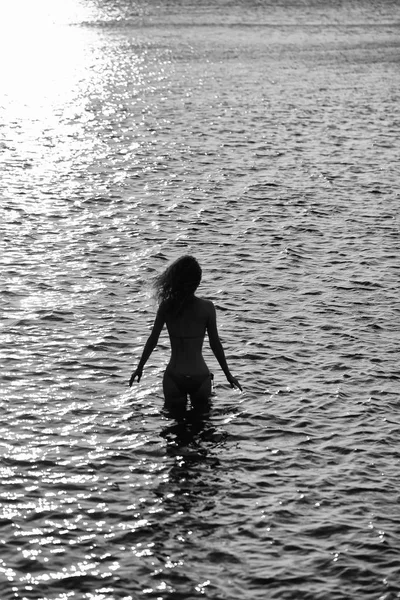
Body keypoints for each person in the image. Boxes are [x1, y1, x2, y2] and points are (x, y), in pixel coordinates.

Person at [129, 255, 242, 413]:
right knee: (202, 427)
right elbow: (215, 344)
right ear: (197, 281)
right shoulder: (207, 308)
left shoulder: (167, 307)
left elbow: (153, 340)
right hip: (200, 376)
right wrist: (228, 375)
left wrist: (140, 367)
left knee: (175, 431)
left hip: (174, 376)